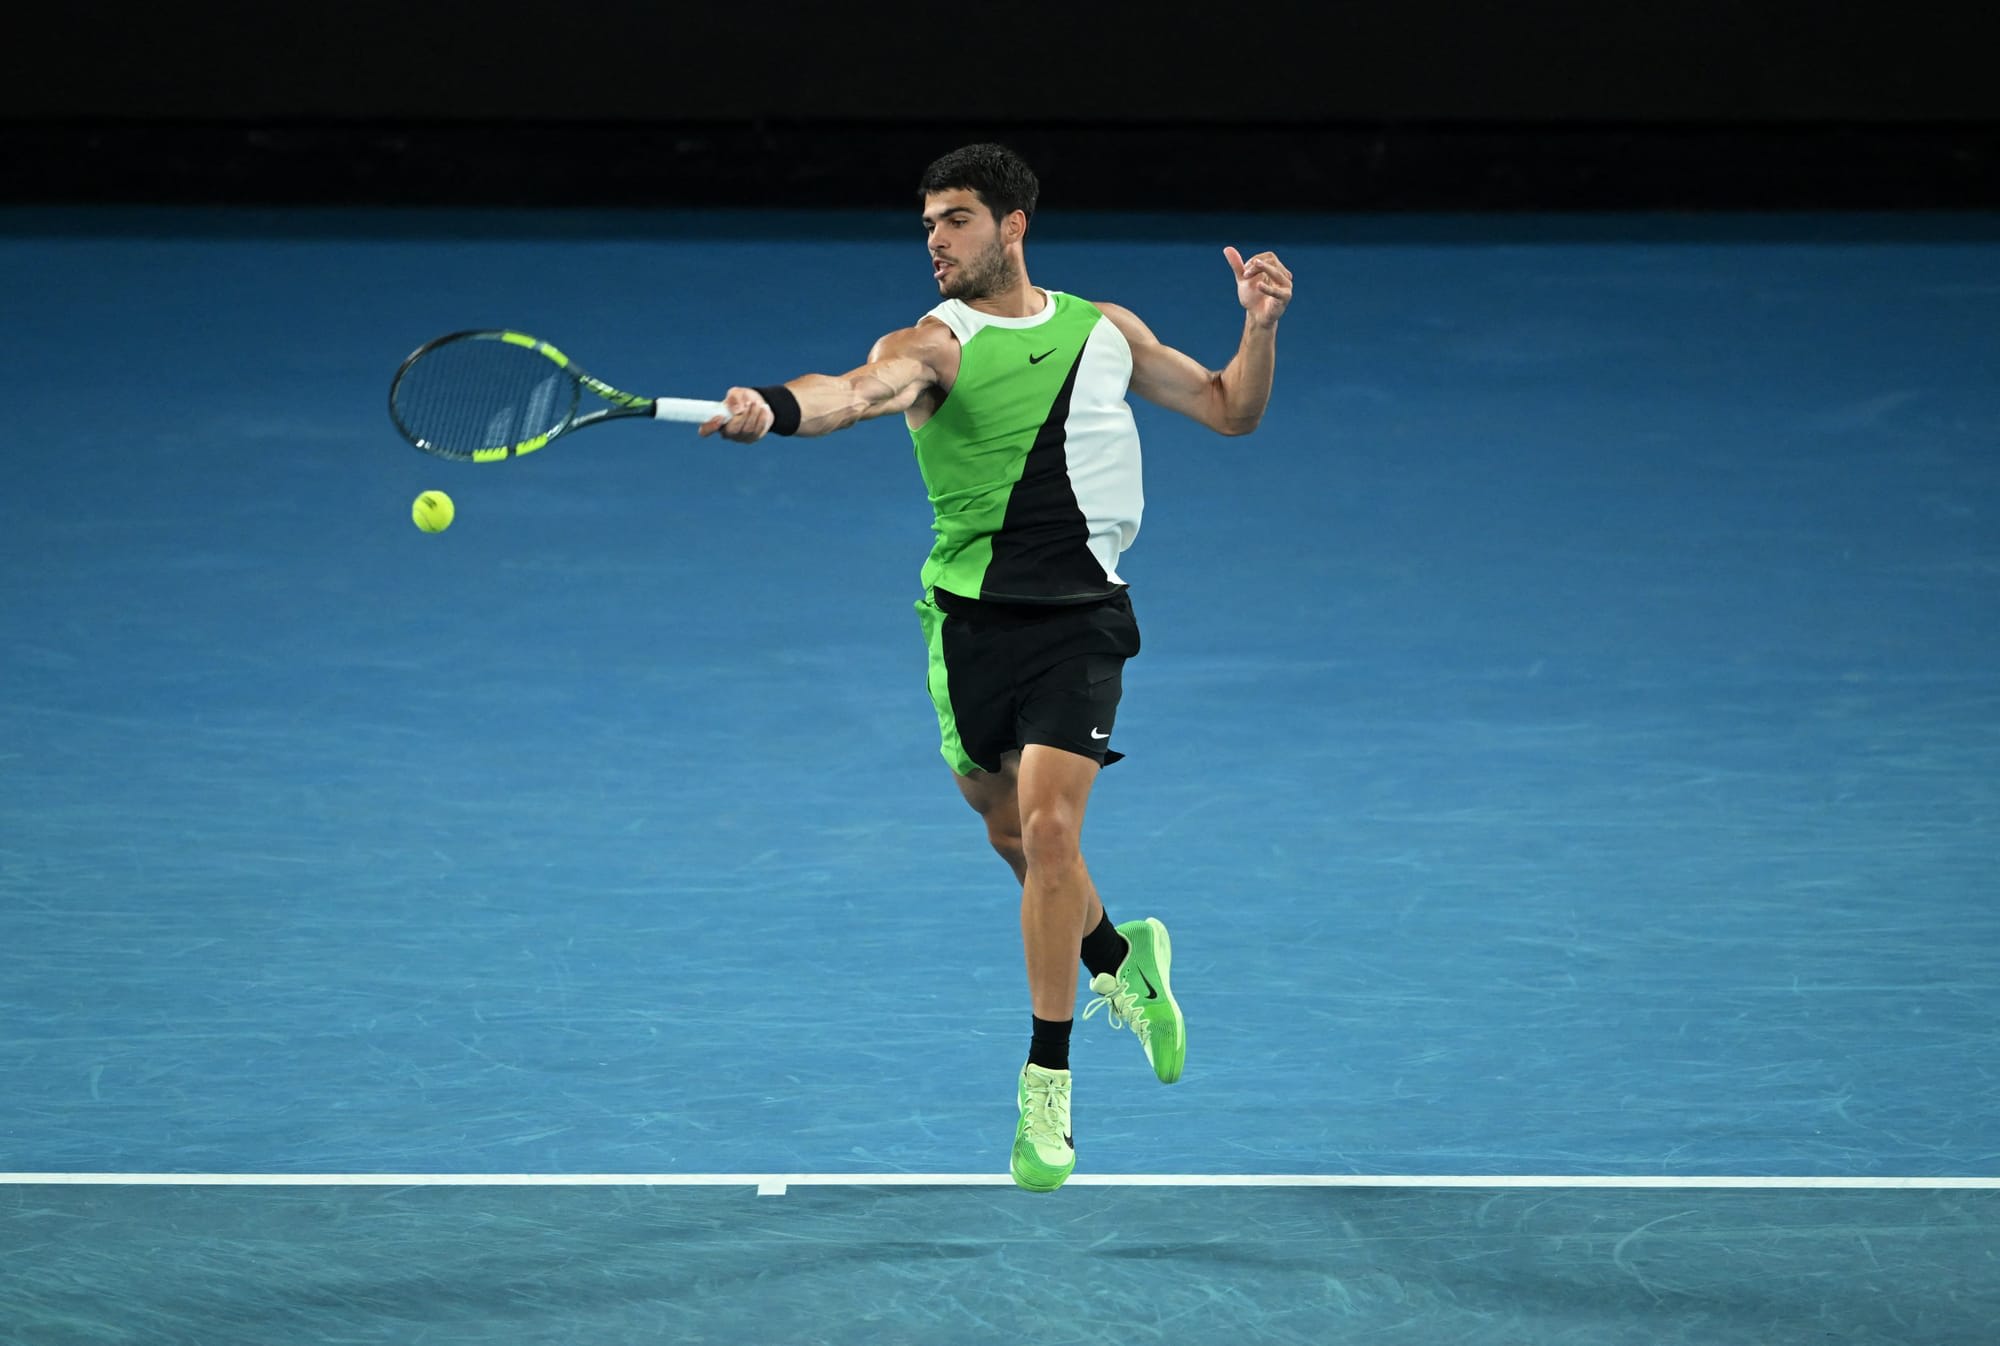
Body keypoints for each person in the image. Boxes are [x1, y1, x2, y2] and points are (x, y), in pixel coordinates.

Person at [700, 142, 1291, 1191]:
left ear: (1013, 225)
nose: (935, 240)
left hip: (1083, 620)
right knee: (1012, 836)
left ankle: (1045, 1085)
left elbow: (1230, 409)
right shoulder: (931, 345)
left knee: (1053, 830)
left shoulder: (1102, 331)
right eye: (927, 222)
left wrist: (1259, 325)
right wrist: (775, 408)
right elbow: (851, 392)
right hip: (967, 626)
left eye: (956, 219)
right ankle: (1119, 957)